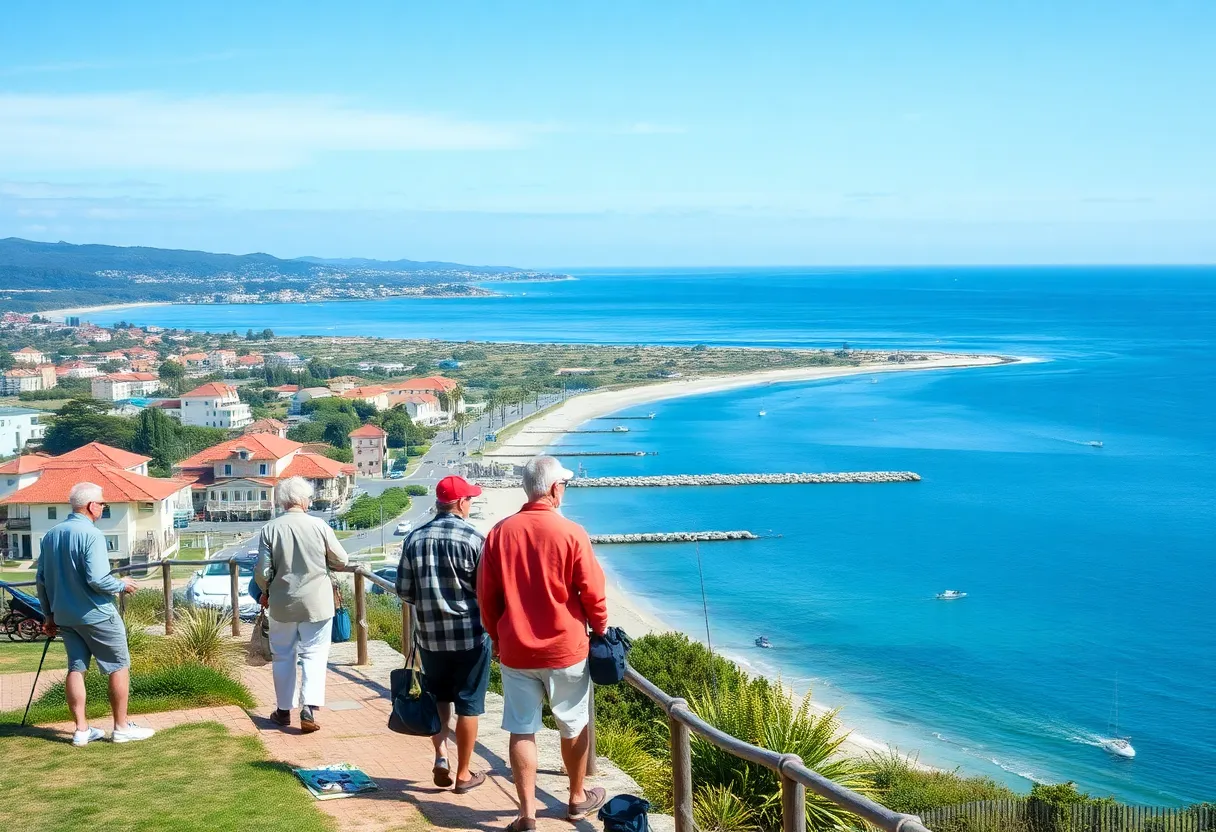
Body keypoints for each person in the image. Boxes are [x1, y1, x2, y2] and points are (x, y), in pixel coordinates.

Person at [478, 456, 609, 830]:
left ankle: (527, 815)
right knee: (573, 724)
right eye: (563, 484)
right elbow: (593, 594)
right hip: (565, 649)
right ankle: (576, 798)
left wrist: (496, 635)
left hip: (517, 649)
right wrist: (599, 630)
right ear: (554, 489)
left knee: (521, 728)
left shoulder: (500, 533)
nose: (564, 489)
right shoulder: (572, 533)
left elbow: (487, 597)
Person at [36, 482, 155, 746]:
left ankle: (81, 730)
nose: (103, 507)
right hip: (97, 613)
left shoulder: (51, 535)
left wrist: (48, 615)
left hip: (65, 616)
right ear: (91, 506)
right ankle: (121, 727)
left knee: (76, 668)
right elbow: (97, 579)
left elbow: (41, 580)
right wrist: (122, 584)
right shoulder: (92, 535)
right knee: (119, 665)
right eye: (102, 504)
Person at [397, 475, 490, 794]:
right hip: (470, 638)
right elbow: (487, 592)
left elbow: (405, 592)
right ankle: (464, 773)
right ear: (462, 503)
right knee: (469, 704)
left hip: (431, 639)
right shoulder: (475, 539)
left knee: (437, 699)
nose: (471, 504)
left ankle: (440, 757)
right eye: (470, 500)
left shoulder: (414, 539)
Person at [255, 476, 349, 733]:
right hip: (317, 602)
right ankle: (308, 706)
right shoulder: (319, 526)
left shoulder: (270, 529)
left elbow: (263, 571)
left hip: (282, 602)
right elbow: (341, 559)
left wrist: (266, 591)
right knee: (315, 654)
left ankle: (284, 710)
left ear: (284, 501)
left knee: (283, 655)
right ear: (302, 500)